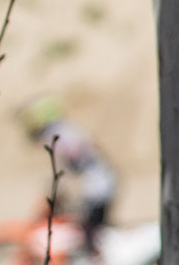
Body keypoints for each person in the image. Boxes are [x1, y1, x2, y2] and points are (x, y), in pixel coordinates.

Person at [20, 96, 117, 252]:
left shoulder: (59, 135)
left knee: (88, 232)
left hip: (96, 188)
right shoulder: (66, 131)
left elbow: (68, 169)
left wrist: (55, 192)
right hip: (100, 185)